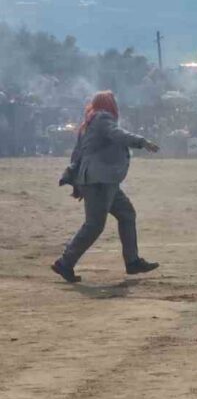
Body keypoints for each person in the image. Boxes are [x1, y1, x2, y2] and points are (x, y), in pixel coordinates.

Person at [52, 91, 160, 283]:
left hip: (102, 180)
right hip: (100, 180)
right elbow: (117, 134)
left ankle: (132, 261)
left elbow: (77, 153)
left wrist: (75, 178)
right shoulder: (102, 118)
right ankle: (65, 262)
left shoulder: (89, 122)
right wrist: (141, 142)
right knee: (94, 225)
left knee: (127, 214)